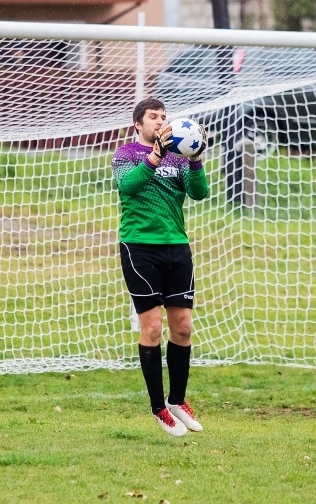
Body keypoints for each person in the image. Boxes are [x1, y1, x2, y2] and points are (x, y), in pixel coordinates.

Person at [111, 98, 209, 437]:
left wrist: (195, 159)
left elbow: (200, 193)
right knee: (151, 329)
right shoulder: (126, 155)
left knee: (182, 328)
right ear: (138, 124)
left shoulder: (179, 157)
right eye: (153, 117)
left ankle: (177, 401)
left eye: (163, 117)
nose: (160, 122)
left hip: (176, 247)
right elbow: (128, 185)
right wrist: (156, 155)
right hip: (139, 247)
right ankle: (158, 409)